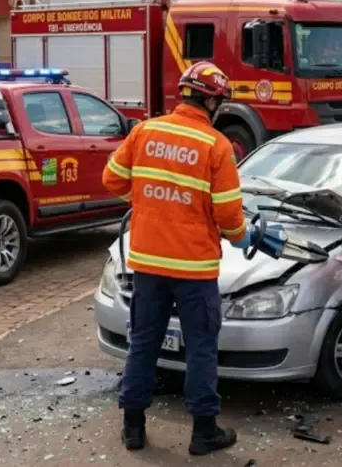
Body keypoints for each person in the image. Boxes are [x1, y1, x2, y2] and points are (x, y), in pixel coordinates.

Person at [103, 61, 251, 455]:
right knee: (201, 346)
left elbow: (112, 179)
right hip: (195, 269)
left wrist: (148, 203)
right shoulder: (215, 146)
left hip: (149, 264)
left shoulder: (146, 131)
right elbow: (228, 216)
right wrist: (242, 236)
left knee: (143, 343)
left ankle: (133, 427)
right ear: (214, 101)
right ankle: (204, 432)